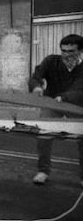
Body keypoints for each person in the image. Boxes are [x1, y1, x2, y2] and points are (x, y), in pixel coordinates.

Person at [29, 34, 83, 187]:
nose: (66, 55)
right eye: (64, 51)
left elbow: (80, 89)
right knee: (44, 135)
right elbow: (35, 76)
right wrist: (36, 86)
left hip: (76, 106)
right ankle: (43, 171)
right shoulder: (51, 61)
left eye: (71, 51)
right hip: (53, 103)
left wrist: (63, 97)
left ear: (80, 51)